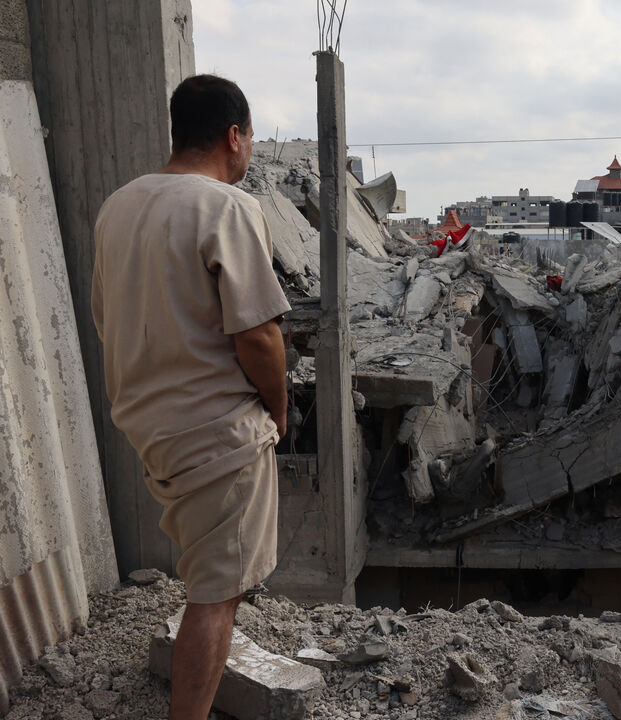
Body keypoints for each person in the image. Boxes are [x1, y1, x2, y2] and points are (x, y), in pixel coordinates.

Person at [91, 74, 290, 720]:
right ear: (234, 137)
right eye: (251, 139)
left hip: (153, 431)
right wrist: (279, 411)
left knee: (209, 584)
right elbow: (259, 336)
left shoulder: (118, 206)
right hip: (220, 438)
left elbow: (107, 318)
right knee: (216, 596)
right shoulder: (228, 209)